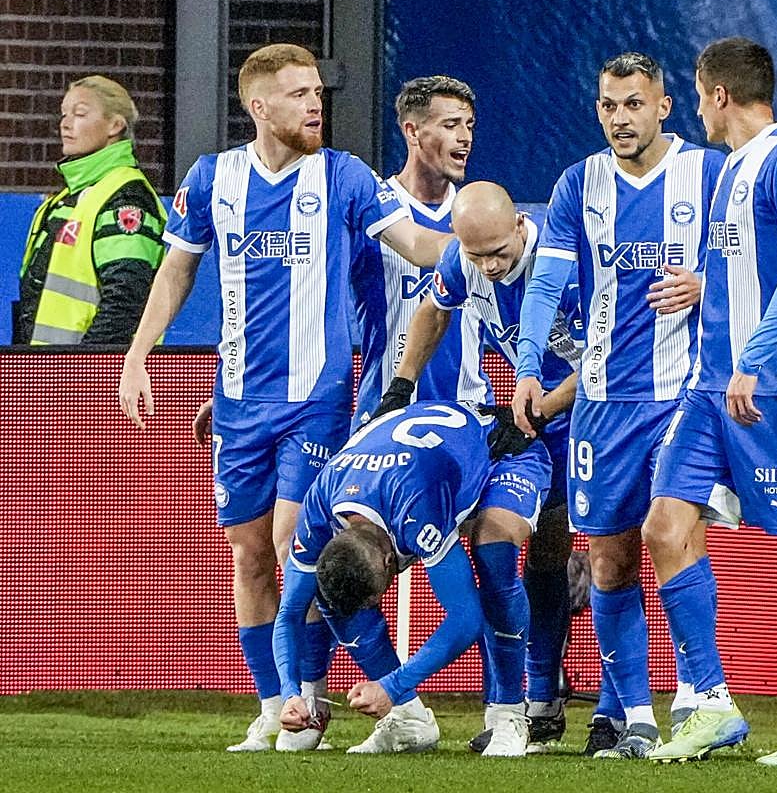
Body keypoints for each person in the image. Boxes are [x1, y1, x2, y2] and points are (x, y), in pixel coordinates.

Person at [116, 43, 444, 752]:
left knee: (296, 543)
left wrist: (495, 242)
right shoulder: (213, 178)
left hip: (315, 401)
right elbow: (176, 270)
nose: (316, 105)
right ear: (258, 106)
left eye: (318, 92)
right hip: (238, 403)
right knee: (248, 556)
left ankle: (349, 701)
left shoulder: (344, 176)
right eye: (299, 94)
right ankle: (276, 706)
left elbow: (418, 244)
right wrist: (138, 355)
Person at [641, 36, 777, 766]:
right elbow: (747, 266)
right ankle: (712, 702)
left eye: (699, 95)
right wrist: (708, 293)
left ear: (719, 94)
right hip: (711, 386)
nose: (698, 110)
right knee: (665, 527)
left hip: (775, 388)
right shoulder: (732, 168)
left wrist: (754, 359)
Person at [511, 51, 720, 759]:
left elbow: (754, 264)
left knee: (673, 533)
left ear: (664, 107)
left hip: (683, 393)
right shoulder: (579, 183)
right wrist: (526, 368)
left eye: (634, 104)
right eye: (609, 105)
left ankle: (702, 699)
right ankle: (636, 718)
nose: (620, 118)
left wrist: (706, 287)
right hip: (601, 403)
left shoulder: (708, 174)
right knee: (608, 562)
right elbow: (545, 285)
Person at [384, 181, 582, 753]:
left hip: (591, 409)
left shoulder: (568, 263)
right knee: (521, 548)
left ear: (521, 225)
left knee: (604, 552)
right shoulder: (463, 261)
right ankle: (534, 699)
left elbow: (606, 354)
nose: (490, 267)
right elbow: (432, 311)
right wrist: (401, 384)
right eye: (477, 256)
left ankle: (616, 712)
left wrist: (541, 409)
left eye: (498, 253)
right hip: (531, 416)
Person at [274, 401, 551, 757]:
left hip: (506, 451)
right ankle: (408, 718)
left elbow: (466, 618)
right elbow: (289, 612)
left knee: (493, 550)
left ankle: (509, 715)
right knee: (331, 597)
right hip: (417, 465)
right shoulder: (318, 508)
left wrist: (392, 684)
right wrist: (290, 692)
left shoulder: (416, 509)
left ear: (391, 559)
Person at [353, 76, 490, 427]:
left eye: (470, 125)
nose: (465, 137)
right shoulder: (370, 211)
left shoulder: (481, 215)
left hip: (467, 414)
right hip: (383, 414)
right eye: (451, 125)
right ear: (412, 132)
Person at [16, 75, 165, 346]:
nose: (65, 123)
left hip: (88, 369)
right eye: (64, 114)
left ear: (115, 125)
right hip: (50, 367)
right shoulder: (67, 198)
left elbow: (123, 303)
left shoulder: (125, 198)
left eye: (80, 113)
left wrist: (85, 363)